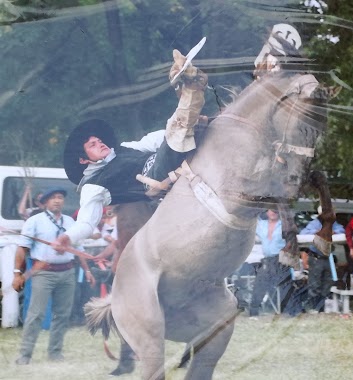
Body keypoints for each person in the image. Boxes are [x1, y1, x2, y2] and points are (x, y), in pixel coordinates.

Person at [51, 49, 208, 252]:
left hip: (170, 159)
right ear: (84, 160)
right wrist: (68, 237)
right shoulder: (93, 186)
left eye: (99, 140)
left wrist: (186, 127)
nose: (100, 143)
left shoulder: (125, 149)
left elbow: (151, 140)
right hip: (155, 180)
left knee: (194, 128)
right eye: (92, 145)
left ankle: (187, 91)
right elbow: (86, 224)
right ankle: (188, 87)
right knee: (175, 131)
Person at [11, 188, 95, 365]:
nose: (57, 201)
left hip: (67, 272)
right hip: (44, 273)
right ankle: (25, 354)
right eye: (53, 198)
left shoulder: (71, 222)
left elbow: (78, 249)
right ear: (45, 203)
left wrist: (87, 270)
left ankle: (55, 352)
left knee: (63, 315)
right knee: (36, 314)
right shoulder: (34, 221)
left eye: (60, 198)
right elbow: (22, 248)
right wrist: (17, 273)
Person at [300, 207, 345, 313]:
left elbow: (341, 231)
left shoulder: (334, 224)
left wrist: (333, 232)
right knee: (315, 285)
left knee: (327, 285)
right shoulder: (314, 224)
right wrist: (318, 232)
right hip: (316, 257)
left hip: (328, 258)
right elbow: (303, 233)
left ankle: (321, 309)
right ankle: (312, 308)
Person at [249, 209, 291, 317]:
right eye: (271, 210)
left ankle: (287, 312)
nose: (273, 212)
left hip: (281, 259)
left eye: (275, 210)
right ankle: (253, 313)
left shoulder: (285, 225)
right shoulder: (261, 225)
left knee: (284, 286)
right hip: (268, 260)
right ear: (267, 212)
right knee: (259, 285)